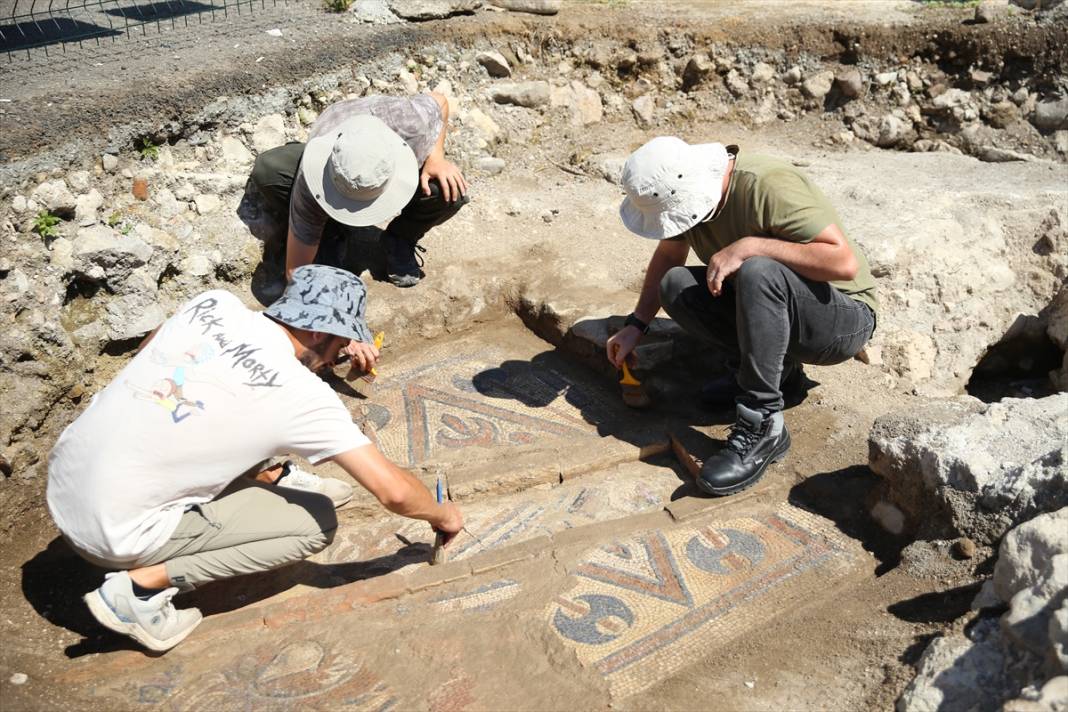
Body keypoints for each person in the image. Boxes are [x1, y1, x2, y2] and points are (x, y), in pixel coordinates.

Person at [46, 265, 464, 652]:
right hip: (109, 535)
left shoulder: (213, 304)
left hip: (65, 479)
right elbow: (391, 492)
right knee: (316, 522)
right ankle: (138, 591)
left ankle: (266, 476)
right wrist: (440, 515)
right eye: (339, 345)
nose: (336, 356)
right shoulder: (302, 395)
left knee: (211, 403)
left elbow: (149, 349)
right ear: (320, 334)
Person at [607, 137, 877, 496]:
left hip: (841, 317)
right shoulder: (688, 195)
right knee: (676, 285)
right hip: (783, 309)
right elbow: (670, 257)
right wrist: (636, 325)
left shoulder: (766, 186)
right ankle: (780, 376)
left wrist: (751, 246)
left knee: (758, 271)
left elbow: (842, 263)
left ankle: (763, 423)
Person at [251, 92, 469, 288]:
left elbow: (440, 102)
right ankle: (331, 230)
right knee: (270, 169)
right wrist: (303, 298)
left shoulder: (410, 123)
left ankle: (400, 239)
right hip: (332, 151)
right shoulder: (310, 180)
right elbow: (297, 266)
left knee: (450, 190)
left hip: (387, 138)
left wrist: (436, 157)